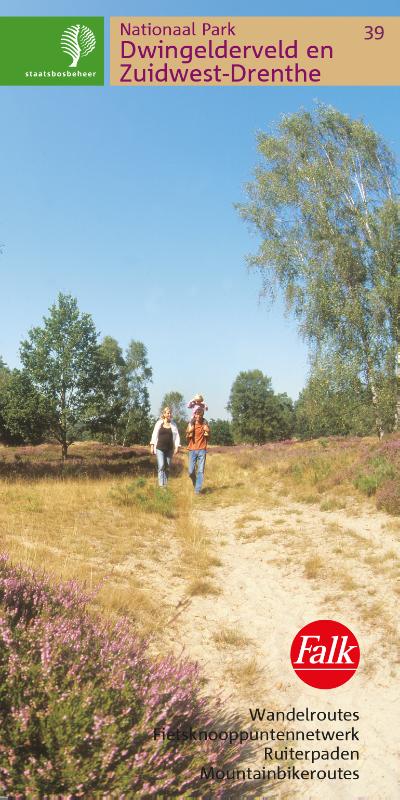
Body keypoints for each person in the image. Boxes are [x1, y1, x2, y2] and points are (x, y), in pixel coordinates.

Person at [150, 407, 180, 488]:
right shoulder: (159, 423)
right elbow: (154, 434)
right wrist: (152, 446)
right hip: (159, 448)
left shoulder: (173, 424)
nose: (169, 414)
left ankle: (165, 485)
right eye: (167, 413)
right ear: (164, 414)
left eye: (170, 413)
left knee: (167, 467)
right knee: (161, 465)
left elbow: (177, 436)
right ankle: (161, 485)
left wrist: (177, 446)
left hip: (169, 449)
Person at [186, 408, 210, 494]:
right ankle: (196, 483)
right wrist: (190, 431)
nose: (198, 416)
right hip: (192, 449)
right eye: (196, 414)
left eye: (200, 414)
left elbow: (208, 435)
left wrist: (208, 430)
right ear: (194, 414)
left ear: (202, 415)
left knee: (200, 470)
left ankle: (197, 490)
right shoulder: (191, 424)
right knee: (190, 471)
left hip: (202, 450)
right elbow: (187, 436)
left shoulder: (205, 424)